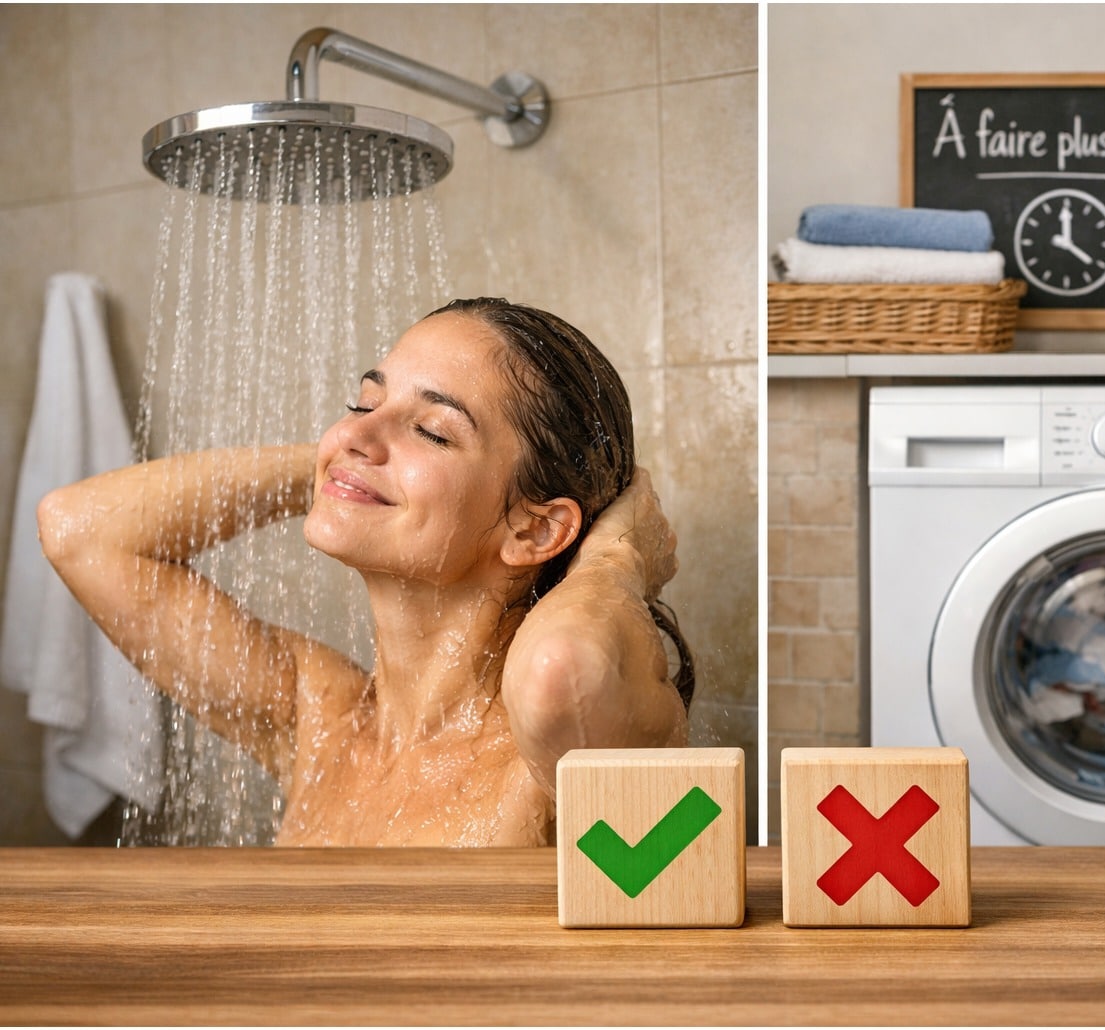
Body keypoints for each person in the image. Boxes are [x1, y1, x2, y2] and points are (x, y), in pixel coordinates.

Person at [37, 298, 692, 846]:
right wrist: (338, 464)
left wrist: (618, 556)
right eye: (361, 403)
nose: (355, 431)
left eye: (434, 431)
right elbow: (78, 530)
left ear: (534, 530)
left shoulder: (556, 758)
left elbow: (561, 673)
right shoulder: (319, 719)